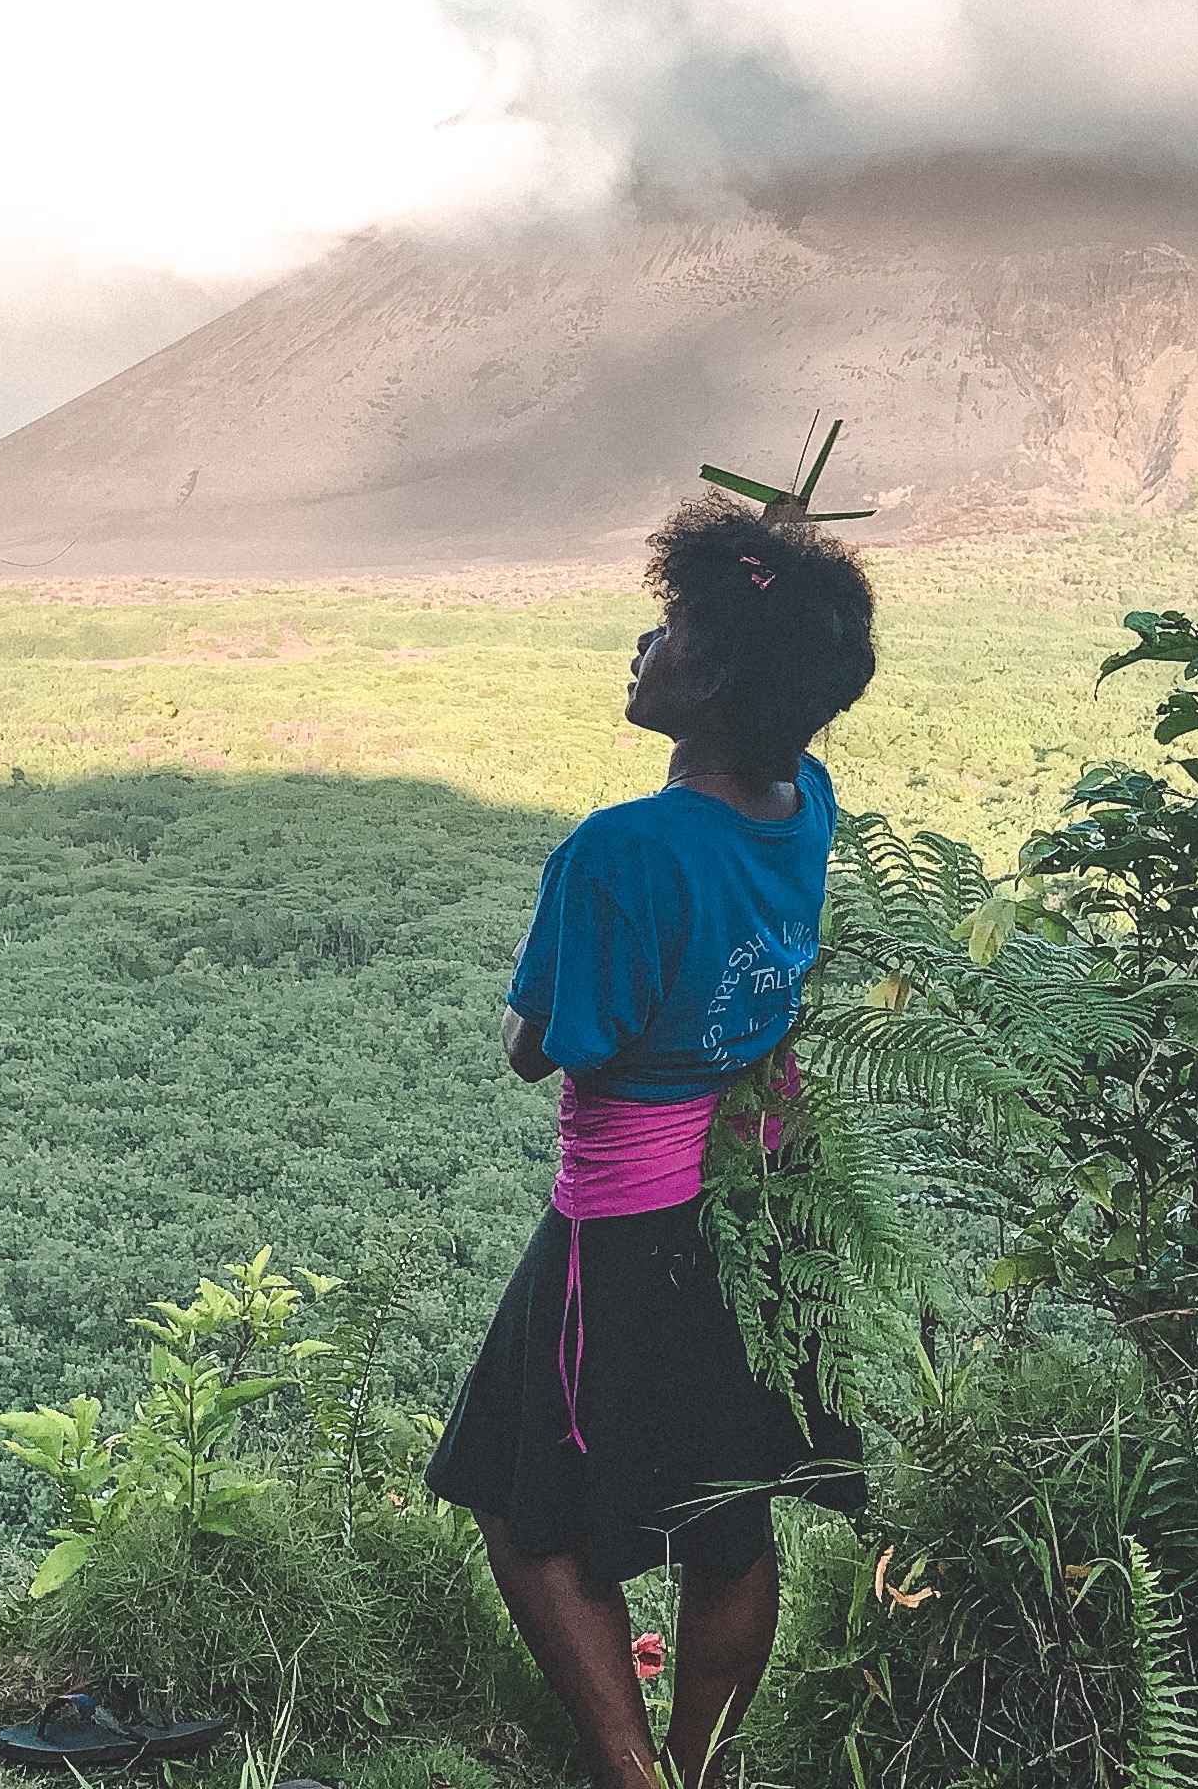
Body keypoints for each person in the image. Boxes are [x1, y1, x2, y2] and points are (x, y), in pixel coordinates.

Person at [424, 498, 879, 1789]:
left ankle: (634, 1775)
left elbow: (542, 1046)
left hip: (620, 1234)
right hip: (758, 1206)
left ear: (723, 679)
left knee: (518, 1512)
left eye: (677, 624)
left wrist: (535, 985)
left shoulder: (616, 856)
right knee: (727, 1524)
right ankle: (704, 1765)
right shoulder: (808, 807)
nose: (647, 639)